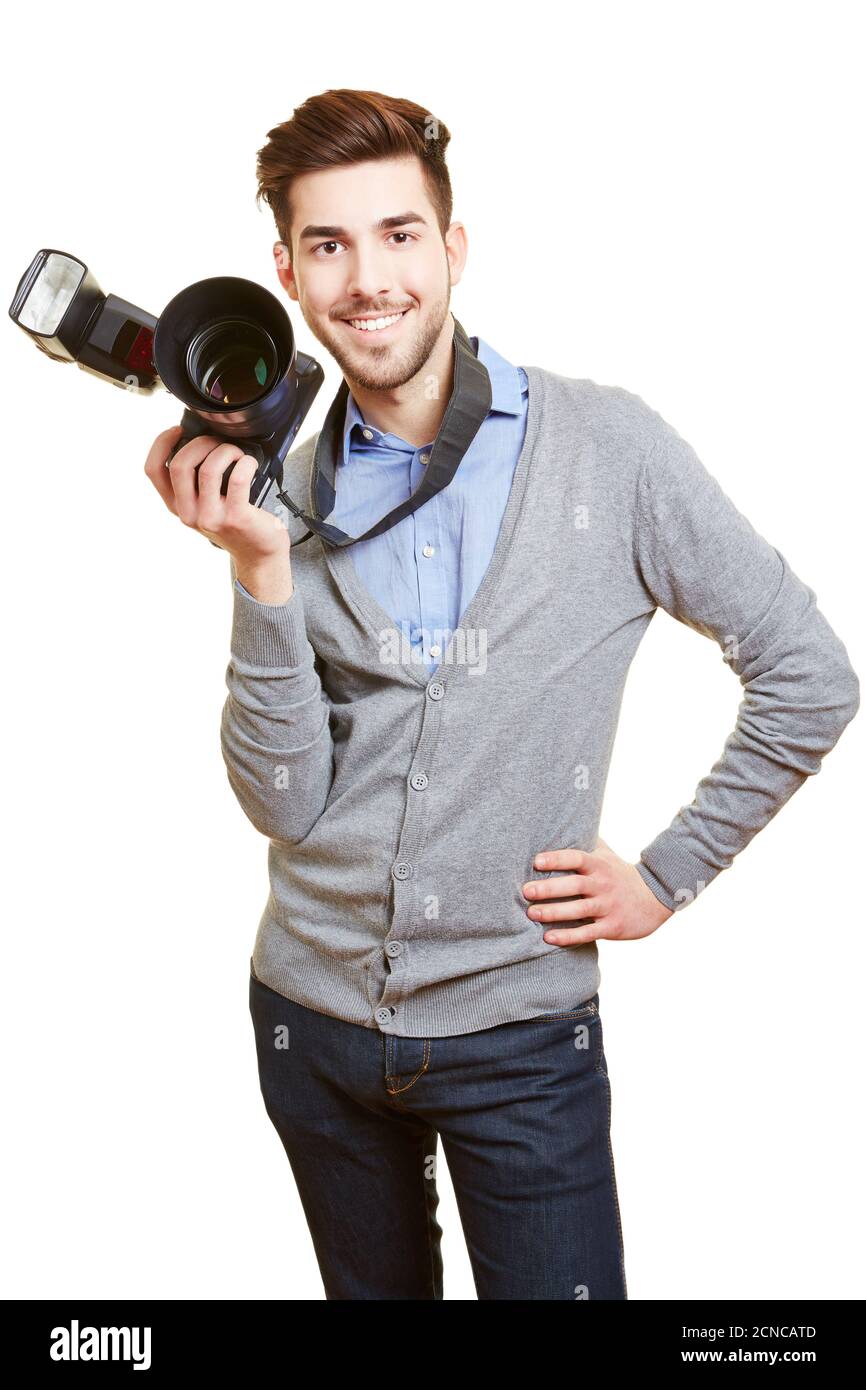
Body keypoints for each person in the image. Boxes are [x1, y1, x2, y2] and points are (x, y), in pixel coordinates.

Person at [143, 89, 860, 1301]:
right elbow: (283, 802)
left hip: (522, 1040)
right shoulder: (288, 491)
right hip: (306, 1023)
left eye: (398, 234)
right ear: (289, 274)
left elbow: (809, 674)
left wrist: (668, 872)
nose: (369, 279)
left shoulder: (608, 451)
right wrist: (259, 574)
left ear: (453, 248)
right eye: (329, 245)